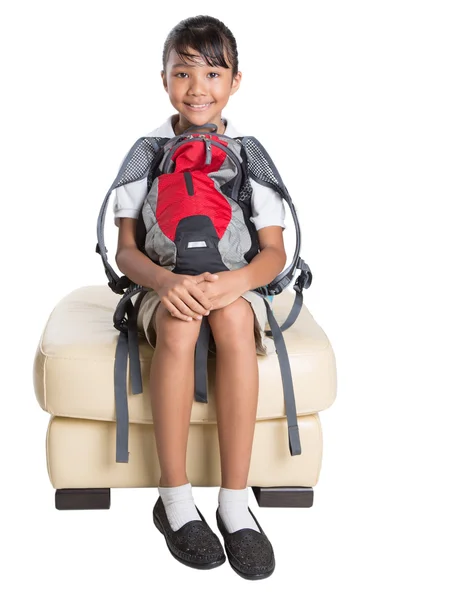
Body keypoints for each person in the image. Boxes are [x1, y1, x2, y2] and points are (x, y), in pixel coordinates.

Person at [113, 15, 286, 580]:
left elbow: (273, 255)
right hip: (163, 282)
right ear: (163, 79)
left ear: (236, 81)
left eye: (213, 73)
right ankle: (175, 496)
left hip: (235, 281)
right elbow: (126, 252)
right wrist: (164, 283)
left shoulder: (248, 155)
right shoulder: (147, 153)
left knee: (234, 322)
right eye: (183, 72)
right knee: (181, 324)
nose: (197, 87)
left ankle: (235, 503)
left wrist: (235, 282)